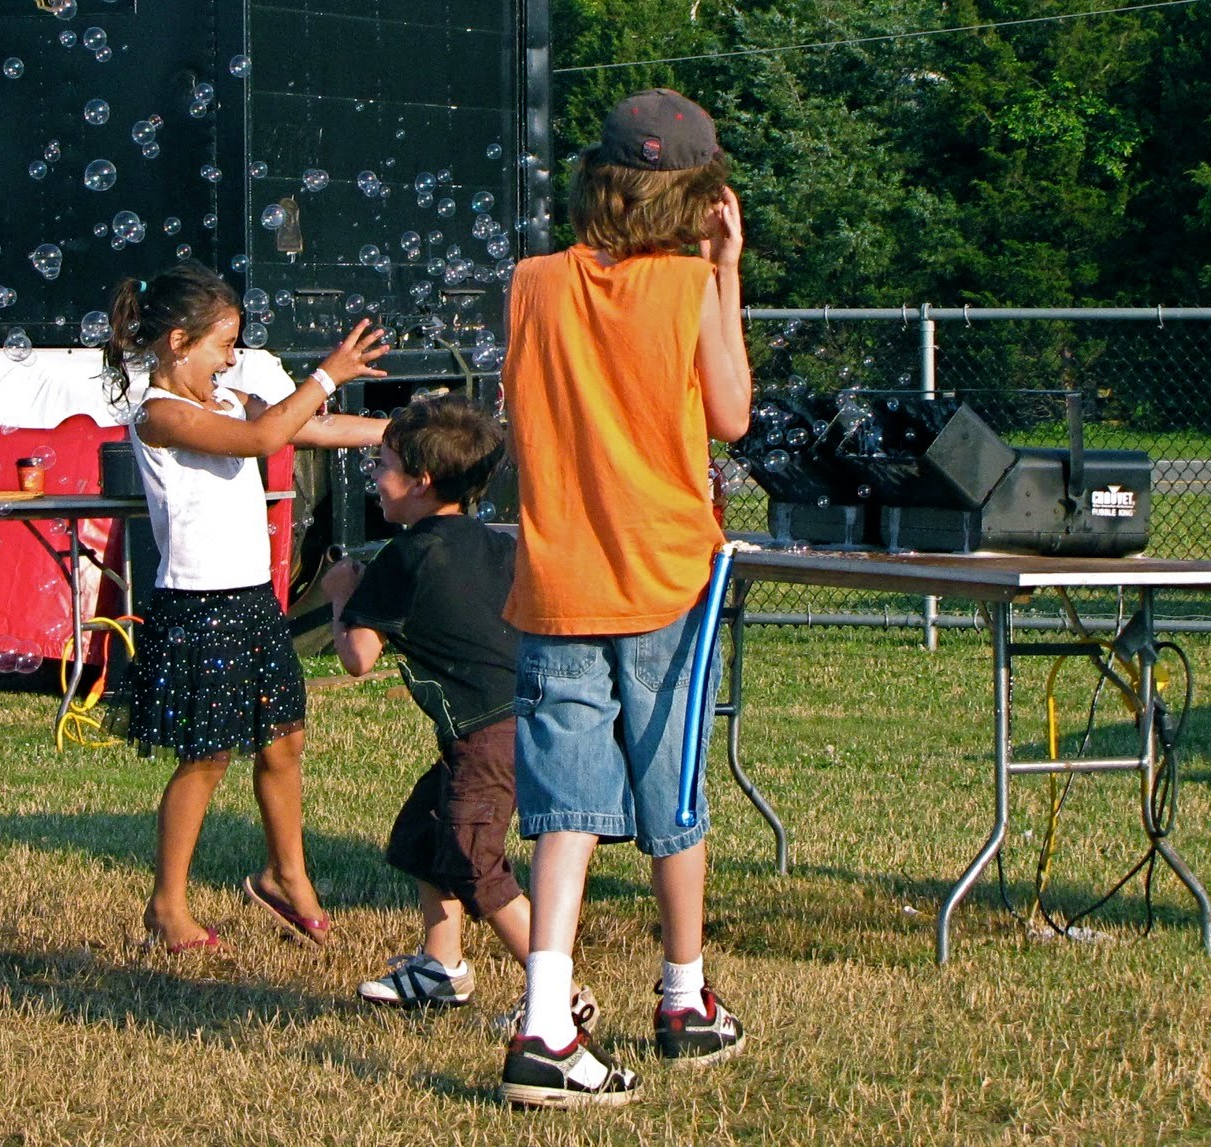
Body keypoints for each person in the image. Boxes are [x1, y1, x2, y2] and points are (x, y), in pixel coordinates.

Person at [497, 89, 753, 1107]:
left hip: (557, 574)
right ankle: (683, 997)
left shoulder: (530, 282)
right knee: (668, 783)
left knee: (563, 799)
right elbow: (729, 414)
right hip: (663, 572)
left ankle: (544, 1019)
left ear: (594, 183)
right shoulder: (687, 285)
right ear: (698, 199)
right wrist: (726, 274)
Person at [102, 260, 390, 954]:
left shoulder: (228, 399)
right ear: (178, 342)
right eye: (224, 345)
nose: (232, 359)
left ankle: (286, 877)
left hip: (252, 602)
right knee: (206, 757)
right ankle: (167, 906)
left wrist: (399, 434)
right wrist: (326, 373)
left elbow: (303, 431)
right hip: (198, 607)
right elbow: (267, 441)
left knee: (284, 739)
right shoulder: (160, 414)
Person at [320, 396, 598, 1027]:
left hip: (484, 735)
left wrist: (343, 596)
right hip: (528, 713)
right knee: (426, 829)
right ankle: (440, 968)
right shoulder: (491, 542)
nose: (373, 474)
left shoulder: (405, 555)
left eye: (383, 463)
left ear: (420, 483)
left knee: (475, 861)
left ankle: (559, 997)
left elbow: (358, 657)